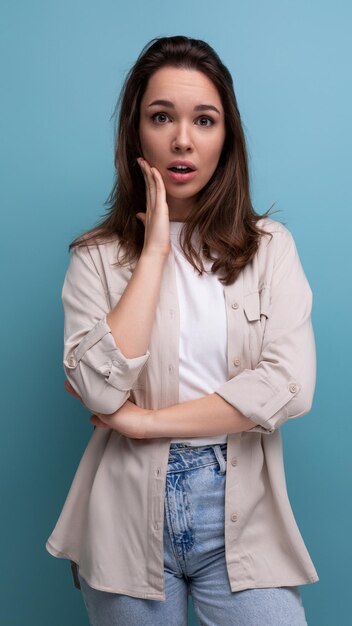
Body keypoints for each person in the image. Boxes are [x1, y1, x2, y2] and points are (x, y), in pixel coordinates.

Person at [45, 35, 319, 625]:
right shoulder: (95, 258)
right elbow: (97, 390)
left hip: (241, 503)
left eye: (205, 119)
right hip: (123, 512)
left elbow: (291, 386)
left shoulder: (271, 248)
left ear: (227, 137)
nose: (182, 140)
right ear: (134, 131)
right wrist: (153, 255)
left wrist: (146, 423)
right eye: (161, 117)